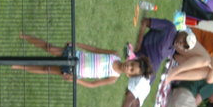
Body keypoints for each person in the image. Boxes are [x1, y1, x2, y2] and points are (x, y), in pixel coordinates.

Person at [119, 18, 197, 107]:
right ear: (183, 32)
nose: (181, 43)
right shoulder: (170, 28)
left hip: (151, 76)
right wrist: (139, 43)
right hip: (144, 65)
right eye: (184, 40)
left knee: (136, 104)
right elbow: (145, 22)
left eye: (184, 46)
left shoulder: (172, 50)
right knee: (131, 97)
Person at [13, 34, 153, 88]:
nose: (128, 67)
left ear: (129, 75)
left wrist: (75, 79)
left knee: (47, 69)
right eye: (131, 64)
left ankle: (19, 66)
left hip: (74, 71)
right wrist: (76, 44)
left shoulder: (113, 78)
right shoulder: (114, 55)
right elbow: (94, 49)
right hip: (74, 54)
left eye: (131, 70)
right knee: (49, 48)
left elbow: (92, 84)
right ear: (130, 59)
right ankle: (25, 37)